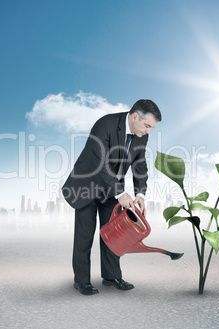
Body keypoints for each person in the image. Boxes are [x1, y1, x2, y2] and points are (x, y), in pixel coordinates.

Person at [61, 99, 162, 295]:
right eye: (147, 126)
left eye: (152, 128)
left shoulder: (141, 134)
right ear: (134, 117)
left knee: (114, 234)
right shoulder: (104, 124)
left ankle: (111, 276)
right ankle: (81, 281)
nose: (148, 131)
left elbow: (139, 162)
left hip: (112, 190)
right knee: (85, 236)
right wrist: (120, 192)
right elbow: (99, 163)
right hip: (87, 186)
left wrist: (140, 193)